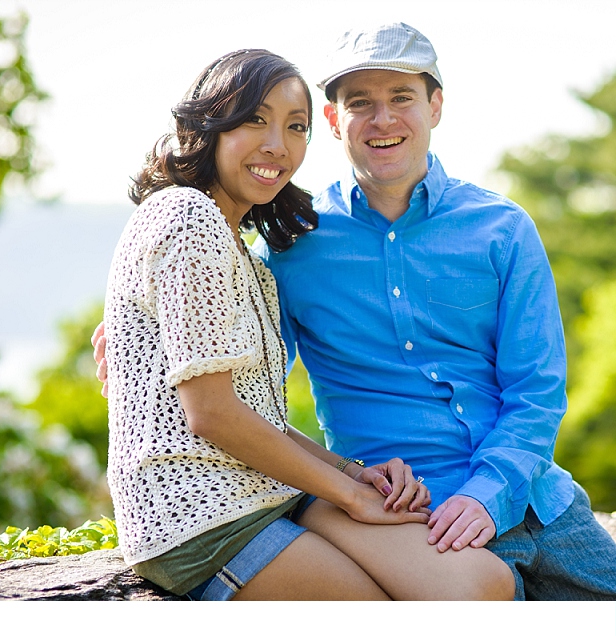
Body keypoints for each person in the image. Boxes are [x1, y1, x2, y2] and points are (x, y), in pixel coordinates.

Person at [100, 48, 513, 601]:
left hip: (267, 491)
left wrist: (352, 472)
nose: (278, 144)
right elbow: (213, 414)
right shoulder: (187, 216)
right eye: (255, 120)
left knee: (482, 583)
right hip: (200, 518)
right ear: (210, 124)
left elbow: (254, 414)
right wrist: (350, 497)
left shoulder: (250, 258)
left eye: (295, 127)